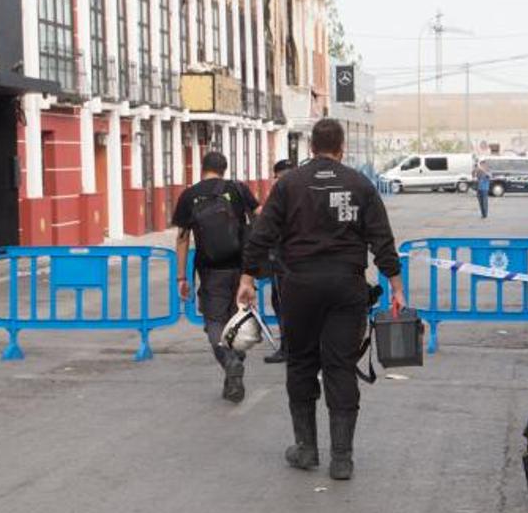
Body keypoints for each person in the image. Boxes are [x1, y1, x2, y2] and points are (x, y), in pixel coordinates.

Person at [238, 118, 406, 480]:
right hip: (346, 286)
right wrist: (395, 285)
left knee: (300, 362)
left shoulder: (289, 185)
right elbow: (381, 238)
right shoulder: (360, 184)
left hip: (299, 286)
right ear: (341, 147)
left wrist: (247, 277)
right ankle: (342, 458)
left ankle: (307, 448)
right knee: (340, 366)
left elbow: (261, 234)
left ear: (310, 148)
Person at [173, 150, 259, 403]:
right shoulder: (238, 189)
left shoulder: (190, 195)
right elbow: (261, 215)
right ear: (224, 168)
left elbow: (182, 239)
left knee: (214, 322)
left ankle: (230, 363)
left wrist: (181, 277)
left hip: (211, 270)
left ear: (203, 168)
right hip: (242, 270)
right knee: (239, 322)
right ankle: (233, 373)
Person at [264, 158, 295, 365]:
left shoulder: (280, 194)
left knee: (283, 304)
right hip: (305, 258)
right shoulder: (308, 190)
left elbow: (268, 225)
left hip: (285, 259)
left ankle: (288, 348)